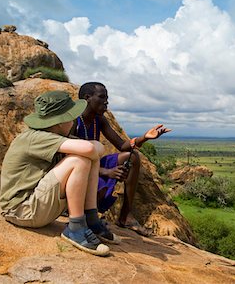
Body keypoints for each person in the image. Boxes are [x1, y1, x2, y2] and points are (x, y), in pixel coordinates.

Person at [0, 90, 120, 257]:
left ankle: (90, 219)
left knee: (87, 157)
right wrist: (91, 150)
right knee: (79, 160)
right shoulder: (35, 138)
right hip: (21, 211)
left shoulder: (54, 135)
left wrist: (92, 150)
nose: (74, 121)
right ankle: (76, 228)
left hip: (35, 206)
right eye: (71, 118)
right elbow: (91, 148)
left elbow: (97, 149)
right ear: (61, 122)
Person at [72, 82, 171, 236]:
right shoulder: (74, 121)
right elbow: (70, 158)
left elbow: (122, 145)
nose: (106, 102)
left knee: (132, 157)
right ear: (87, 98)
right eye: (102, 97)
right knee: (98, 188)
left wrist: (144, 138)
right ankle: (85, 216)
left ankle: (126, 217)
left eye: (107, 98)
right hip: (77, 169)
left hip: (94, 165)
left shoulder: (100, 120)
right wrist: (106, 171)